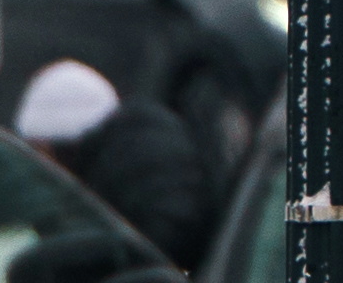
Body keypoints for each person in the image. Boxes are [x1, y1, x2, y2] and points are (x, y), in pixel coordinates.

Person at [11, 57, 216, 269]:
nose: (35, 162)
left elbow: (160, 248)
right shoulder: (131, 154)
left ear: (59, 144)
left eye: (37, 148)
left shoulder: (130, 167)